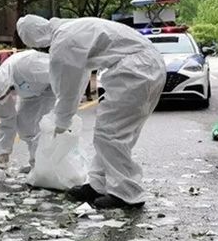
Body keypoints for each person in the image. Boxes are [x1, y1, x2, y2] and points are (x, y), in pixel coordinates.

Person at [17, 15, 165, 209]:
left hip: (136, 69)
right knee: (111, 133)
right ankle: (99, 184)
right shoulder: (72, 28)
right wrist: (65, 115)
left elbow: (67, 87)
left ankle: (127, 194)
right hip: (145, 66)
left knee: (110, 134)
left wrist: (62, 121)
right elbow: (79, 77)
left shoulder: (64, 40)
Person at [0, 50, 55, 172]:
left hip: (53, 88)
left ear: (7, 87)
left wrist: (67, 105)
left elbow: (61, 74)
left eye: (1, 98)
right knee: (25, 127)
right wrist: (4, 151)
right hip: (31, 94)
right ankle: (36, 164)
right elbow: (6, 119)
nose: (1, 101)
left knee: (44, 127)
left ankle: (47, 167)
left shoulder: (28, 66)